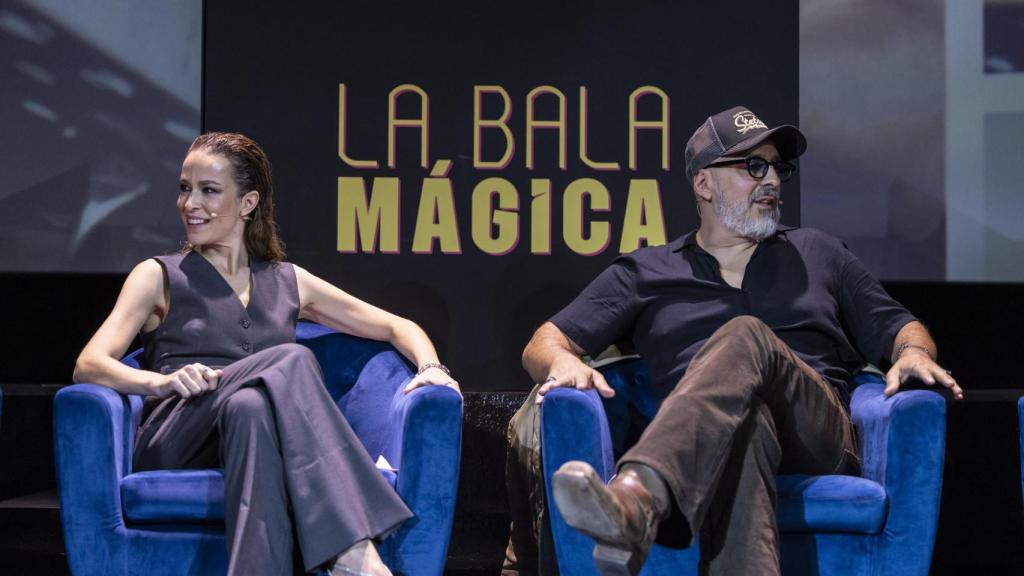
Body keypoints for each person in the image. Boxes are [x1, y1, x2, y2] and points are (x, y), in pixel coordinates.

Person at [509, 106, 963, 576]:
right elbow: (543, 343)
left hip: (816, 433)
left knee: (746, 334)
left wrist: (912, 352)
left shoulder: (819, 252)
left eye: (777, 167)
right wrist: (560, 361)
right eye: (753, 166)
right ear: (704, 184)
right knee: (748, 428)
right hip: (708, 441)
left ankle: (638, 497)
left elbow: (898, 325)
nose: (772, 180)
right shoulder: (647, 272)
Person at [73, 132, 459, 576]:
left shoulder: (288, 280)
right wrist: (157, 382)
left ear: (248, 203)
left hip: (246, 428)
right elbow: (89, 364)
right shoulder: (157, 276)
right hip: (180, 431)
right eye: (184, 188)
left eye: (208, 190)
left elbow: (396, 326)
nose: (189, 203)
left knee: (252, 406)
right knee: (292, 359)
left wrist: (430, 367)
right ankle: (352, 547)